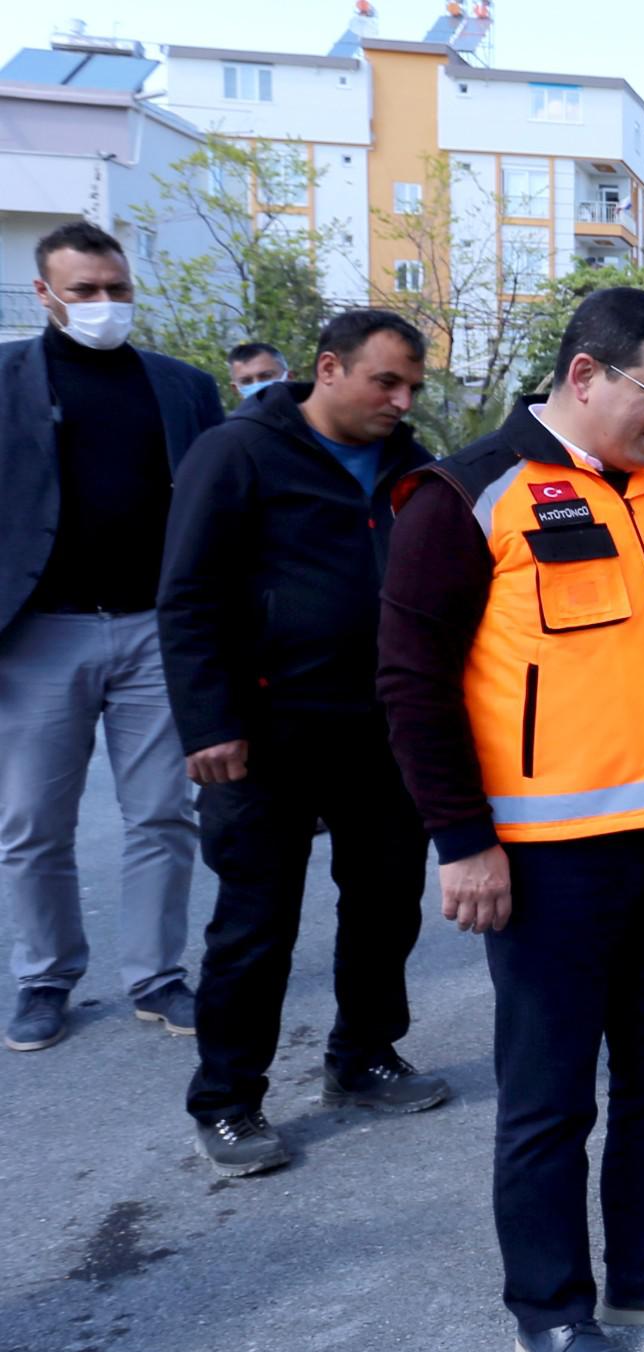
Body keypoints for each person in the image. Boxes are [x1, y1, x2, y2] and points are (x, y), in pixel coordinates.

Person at [379, 287, 644, 1352]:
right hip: (547, 861)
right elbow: (411, 686)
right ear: (585, 376)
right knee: (551, 1097)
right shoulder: (467, 495)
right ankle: (549, 1310)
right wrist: (462, 840)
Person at [157, 309, 449, 1177]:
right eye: (384, 382)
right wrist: (208, 723)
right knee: (256, 921)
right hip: (265, 733)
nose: (400, 401)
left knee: (386, 901)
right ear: (328, 368)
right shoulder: (238, 452)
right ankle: (228, 1099)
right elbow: (189, 596)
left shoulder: (410, 466)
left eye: (412, 388)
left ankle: (362, 1055)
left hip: (383, 726)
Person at [0, 220, 221, 1054]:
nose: (103, 304)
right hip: (39, 633)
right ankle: (45, 976)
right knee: (30, 822)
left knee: (163, 813)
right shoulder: (5, 379)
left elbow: (215, 509)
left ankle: (157, 975)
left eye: (116, 288)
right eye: (84, 290)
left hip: (155, 630)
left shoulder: (181, 386)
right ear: (45, 293)